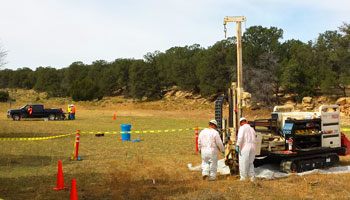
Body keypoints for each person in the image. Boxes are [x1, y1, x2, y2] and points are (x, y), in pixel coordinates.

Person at [236, 117, 256, 182]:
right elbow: (255, 136)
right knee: (250, 163)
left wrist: (238, 145)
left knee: (243, 163)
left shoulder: (242, 128)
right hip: (253, 147)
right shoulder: (252, 129)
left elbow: (240, 137)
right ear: (246, 121)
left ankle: (243, 178)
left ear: (240, 123)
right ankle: (252, 178)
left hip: (245, 147)